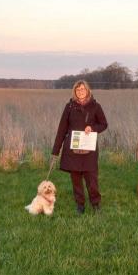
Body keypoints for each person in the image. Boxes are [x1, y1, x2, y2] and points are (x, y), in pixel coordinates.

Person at [52, 80, 108, 214]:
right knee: (76, 180)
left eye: (83, 89)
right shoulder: (69, 107)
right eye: (78, 90)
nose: (80, 92)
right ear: (75, 92)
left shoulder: (95, 106)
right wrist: (56, 150)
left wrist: (92, 128)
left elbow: (104, 124)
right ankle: (80, 205)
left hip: (89, 149)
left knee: (92, 179)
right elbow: (62, 129)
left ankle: (96, 204)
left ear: (87, 90)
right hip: (73, 149)